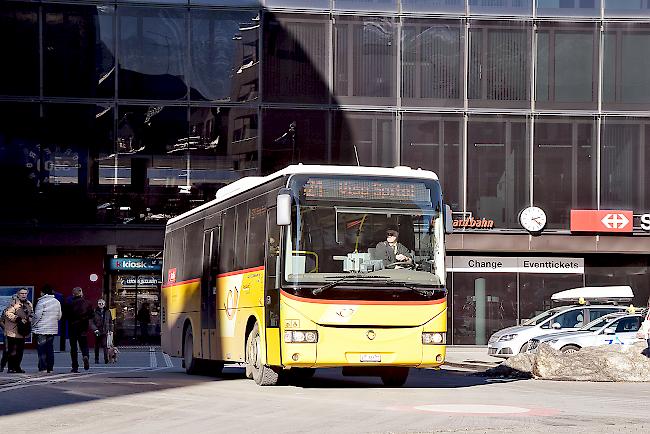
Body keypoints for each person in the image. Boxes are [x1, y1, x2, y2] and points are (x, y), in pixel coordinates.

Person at [32, 284, 62, 373]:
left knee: (41, 349)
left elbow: (37, 316)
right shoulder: (57, 302)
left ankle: (43, 368)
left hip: (41, 329)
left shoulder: (41, 302)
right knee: (50, 348)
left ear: (43, 292)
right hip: (52, 329)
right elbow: (59, 316)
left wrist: (33, 325)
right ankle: (50, 368)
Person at [64, 287, 94, 373]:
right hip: (83, 327)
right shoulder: (88, 303)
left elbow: (65, 316)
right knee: (84, 345)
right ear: (81, 293)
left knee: (73, 348)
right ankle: (85, 355)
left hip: (72, 327)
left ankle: (75, 366)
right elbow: (91, 315)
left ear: (73, 294)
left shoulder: (69, 303)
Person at [3, 288, 34, 374]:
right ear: (18, 294)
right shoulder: (13, 303)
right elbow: (8, 313)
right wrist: (18, 319)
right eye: (22, 293)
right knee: (12, 350)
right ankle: (11, 368)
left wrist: (31, 316)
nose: (23, 295)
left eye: (25, 293)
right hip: (12, 331)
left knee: (20, 351)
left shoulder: (28, 303)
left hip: (22, 331)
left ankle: (17, 367)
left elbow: (31, 312)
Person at [0, 294, 18, 372]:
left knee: (14, 350)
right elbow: (0, 321)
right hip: (8, 333)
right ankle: (1, 366)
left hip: (17, 334)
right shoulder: (6, 310)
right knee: (7, 350)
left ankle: (11, 368)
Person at [92, 299, 113, 364]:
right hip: (97, 330)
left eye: (102, 304)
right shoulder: (94, 311)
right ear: (97, 304)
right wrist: (95, 329)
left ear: (104, 304)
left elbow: (110, 321)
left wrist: (110, 330)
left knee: (105, 345)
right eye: (99, 303)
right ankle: (96, 359)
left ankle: (106, 359)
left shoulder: (107, 311)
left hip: (105, 330)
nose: (101, 305)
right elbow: (91, 322)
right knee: (97, 345)